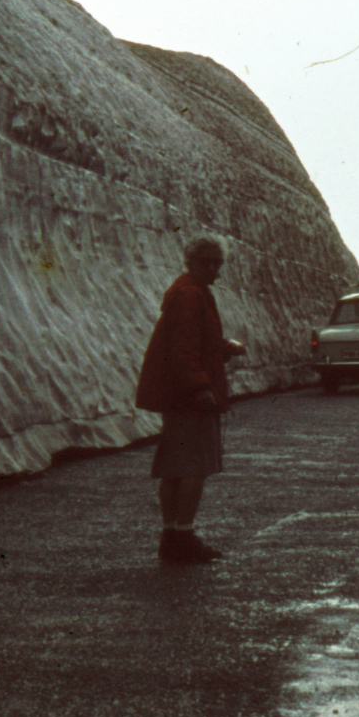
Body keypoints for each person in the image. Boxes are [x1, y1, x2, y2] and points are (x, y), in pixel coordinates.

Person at [135, 237, 247, 563]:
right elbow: (183, 349)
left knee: (174, 467)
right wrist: (201, 388)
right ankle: (183, 537)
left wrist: (222, 348)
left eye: (217, 262)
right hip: (189, 397)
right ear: (191, 262)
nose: (213, 268)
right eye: (206, 262)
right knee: (194, 466)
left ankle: (171, 536)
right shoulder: (190, 294)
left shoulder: (187, 291)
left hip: (176, 395)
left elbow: (191, 341)